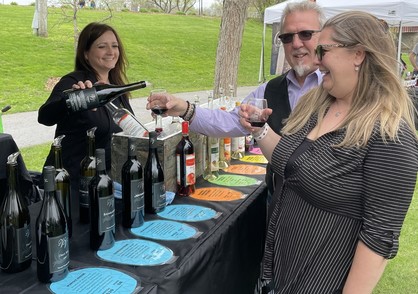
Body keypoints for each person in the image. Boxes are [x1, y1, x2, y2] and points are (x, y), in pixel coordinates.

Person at [238, 11, 418, 293]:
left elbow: (378, 238)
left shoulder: (389, 135)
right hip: (277, 276)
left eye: (324, 49)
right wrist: (259, 129)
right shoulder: (317, 104)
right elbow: (288, 163)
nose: (317, 59)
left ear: (358, 54)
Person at [147, 0, 325, 193]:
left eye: (306, 34)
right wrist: (184, 108)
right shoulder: (270, 90)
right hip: (279, 204)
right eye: (287, 37)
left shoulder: (340, 87)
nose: (296, 44)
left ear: (323, 37)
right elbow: (227, 121)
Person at [38, 22, 135, 202]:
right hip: (69, 187)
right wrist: (70, 101)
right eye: (101, 46)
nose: (111, 52)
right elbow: (44, 116)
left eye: (114, 46)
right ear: (85, 54)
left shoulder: (117, 90)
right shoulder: (73, 82)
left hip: (104, 185)